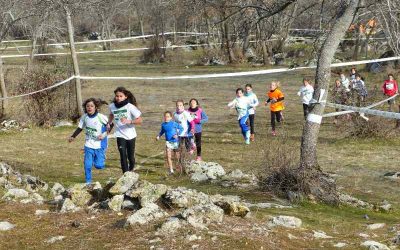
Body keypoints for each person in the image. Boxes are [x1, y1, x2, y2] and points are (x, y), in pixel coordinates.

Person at [68, 98, 108, 184]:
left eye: (91, 106)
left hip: (100, 145)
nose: (89, 108)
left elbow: (111, 125)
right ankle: (88, 182)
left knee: (99, 166)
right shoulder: (84, 117)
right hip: (88, 144)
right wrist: (73, 136)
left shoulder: (101, 117)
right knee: (87, 165)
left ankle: (101, 158)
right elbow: (80, 128)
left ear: (96, 107)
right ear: (85, 107)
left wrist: (104, 134)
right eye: (87, 106)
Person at [107, 87, 142, 173]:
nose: (118, 98)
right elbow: (111, 114)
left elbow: (140, 120)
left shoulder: (130, 107)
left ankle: (131, 169)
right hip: (119, 134)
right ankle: (125, 174)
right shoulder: (112, 106)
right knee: (122, 155)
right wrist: (109, 122)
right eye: (117, 96)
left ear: (125, 96)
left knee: (130, 157)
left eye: (120, 96)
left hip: (131, 135)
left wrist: (129, 121)